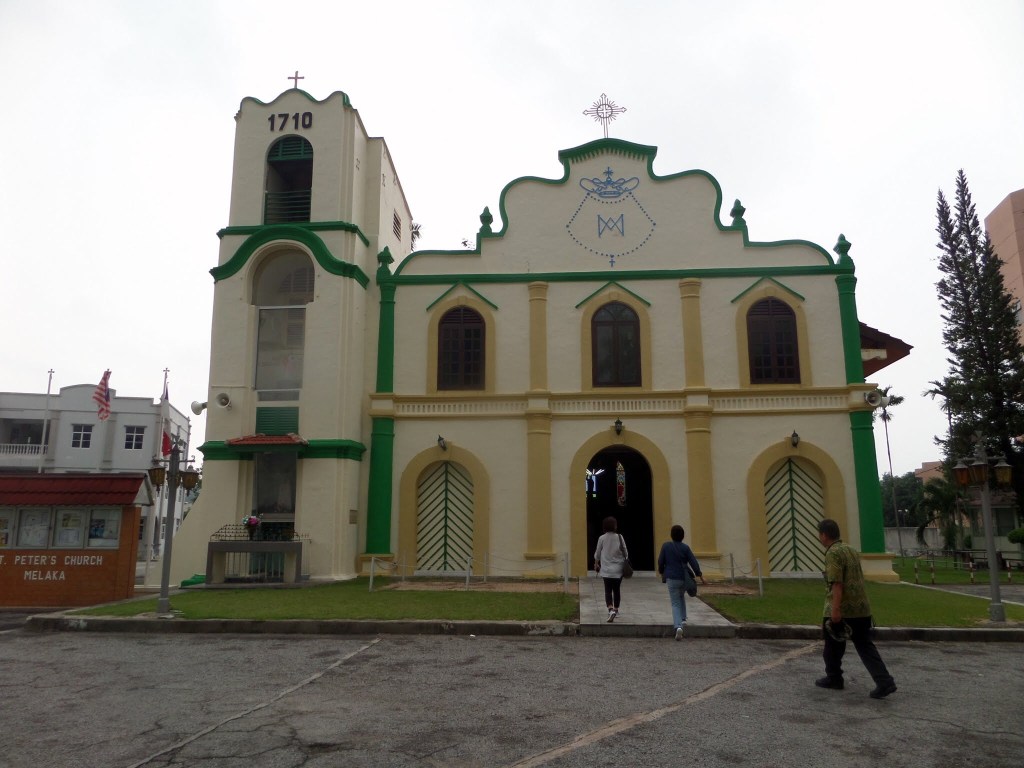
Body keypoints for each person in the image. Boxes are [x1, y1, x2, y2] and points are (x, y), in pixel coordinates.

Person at [816, 518, 897, 699]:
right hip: (861, 608)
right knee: (865, 646)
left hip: (842, 608)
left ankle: (834, 677)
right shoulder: (851, 549)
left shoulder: (833, 553)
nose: (819, 538)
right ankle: (884, 681)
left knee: (832, 646)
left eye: (820, 534)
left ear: (824, 535)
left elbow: (837, 583)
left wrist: (835, 610)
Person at [657, 525, 706, 640]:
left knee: (675, 602)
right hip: (684, 578)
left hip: (671, 577)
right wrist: (700, 575)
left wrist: (661, 571)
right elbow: (693, 562)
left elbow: (661, 561)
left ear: (671, 535)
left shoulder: (666, 546)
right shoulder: (685, 548)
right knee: (681, 596)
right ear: (683, 536)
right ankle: (683, 618)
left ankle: (678, 626)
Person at [593, 516, 628, 622]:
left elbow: (597, 553)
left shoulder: (602, 538)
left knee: (607, 591)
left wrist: (596, 564)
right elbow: (626, 553)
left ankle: (610, 609)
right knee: (616, 590)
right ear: (615, 526)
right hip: (618, 569)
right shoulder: (620, 537)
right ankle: (616, 610)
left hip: (606, 570)